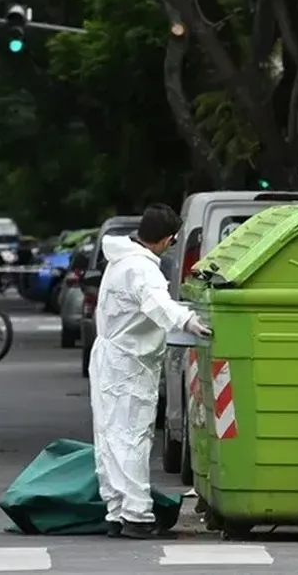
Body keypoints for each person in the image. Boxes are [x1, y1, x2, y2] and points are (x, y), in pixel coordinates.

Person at [89, 203, 212, 539]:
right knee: (131, 437)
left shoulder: (119, 262)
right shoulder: (142, 270)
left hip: (110, 359)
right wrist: (188, 321)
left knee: (110, 437)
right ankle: (137, 515)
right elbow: (158, 303)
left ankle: (116, 510)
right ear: (167, 239)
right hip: (128, 364)